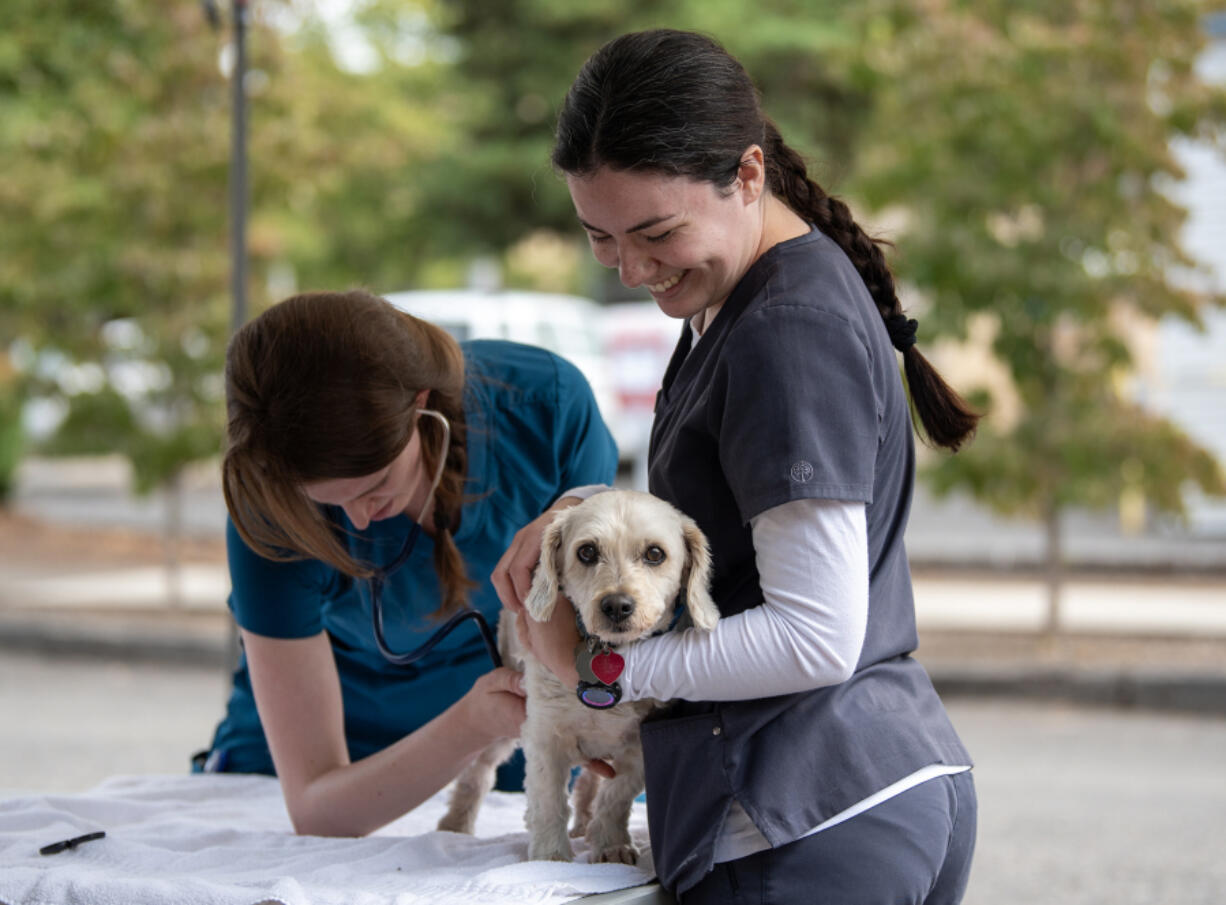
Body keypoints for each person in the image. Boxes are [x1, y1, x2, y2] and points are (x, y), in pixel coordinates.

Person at [495, 29, 980, 903]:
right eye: (600, 239)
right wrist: (575, 512)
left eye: (656, 232)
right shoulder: (730, 300)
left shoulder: (787, 332)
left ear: (748, 176)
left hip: (808, 825)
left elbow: (814, 635)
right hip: (839, 806)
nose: (633, 267)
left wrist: (603, 670)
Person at [198, 289, 618, 837]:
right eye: (328, 502)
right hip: (323, 774)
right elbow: (316, 810)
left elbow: (583, 623)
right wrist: (476, 722)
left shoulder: (545, 410)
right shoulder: (270, 513)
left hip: (508, 758)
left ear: (423, 406)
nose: (361, 521)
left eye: (374, 487)